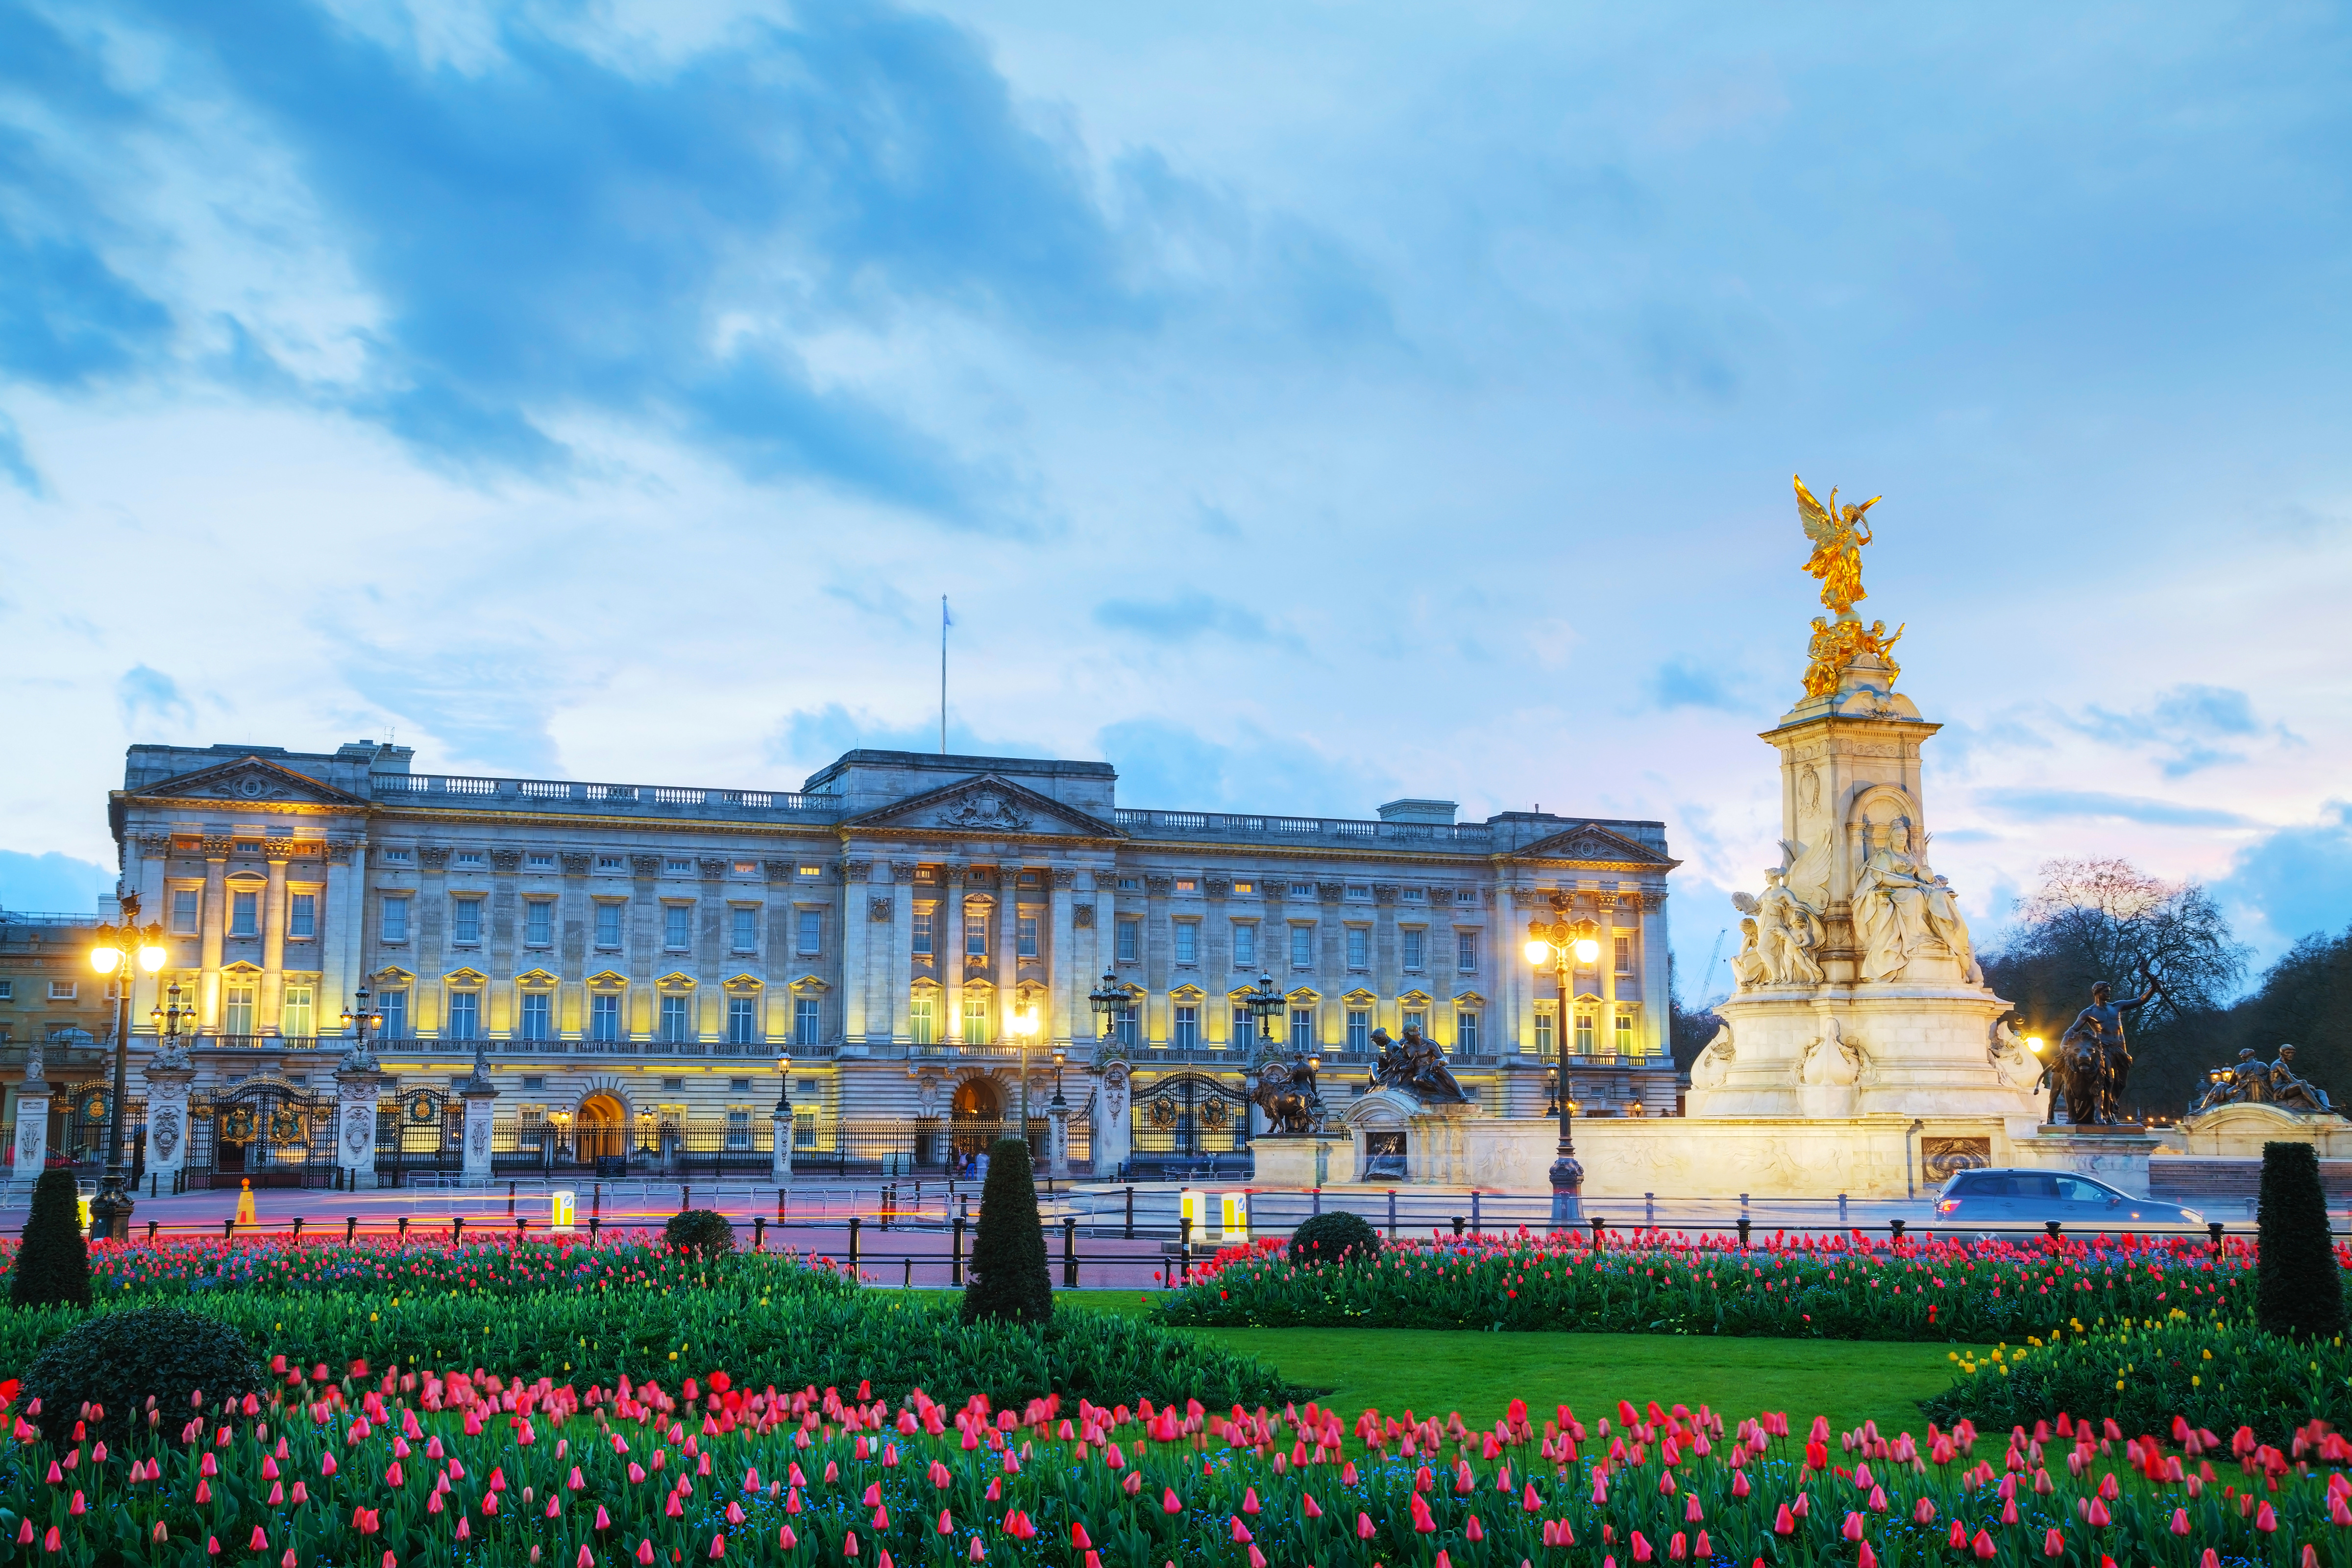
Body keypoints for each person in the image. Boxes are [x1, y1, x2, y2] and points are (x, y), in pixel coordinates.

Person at [2065, 977, 2159, 1122]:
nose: (2109, 994)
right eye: (2106, 992)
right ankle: (2106, 1113)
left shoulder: (2117, 1006)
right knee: (2109, 1078)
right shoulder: (2088, 1013)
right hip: (2104, 1050)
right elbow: (2073, 1030)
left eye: (2109, 991)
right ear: (2098, 993)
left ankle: (2112, 1104)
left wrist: (2153, 987)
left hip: (2120, 1050)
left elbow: (2140, 1000)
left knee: (2121, 1083)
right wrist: (2064, 1043)